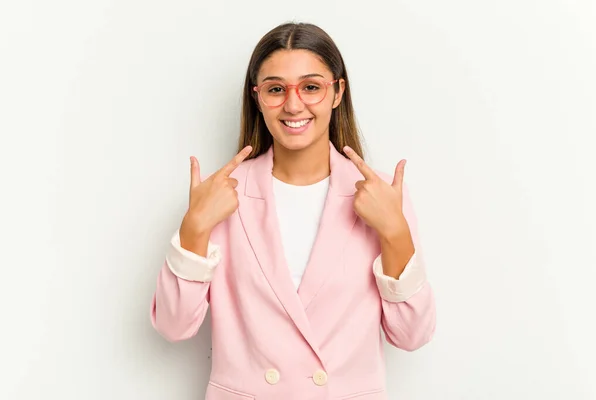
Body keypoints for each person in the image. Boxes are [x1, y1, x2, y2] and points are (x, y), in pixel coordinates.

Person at [150, 21, 436, 400]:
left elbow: (412, 336)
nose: (293, 104)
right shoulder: (222, 196)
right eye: (275, 89)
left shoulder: (380, 195)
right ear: (257, 97)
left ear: (337, 92)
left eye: (311, 87)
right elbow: (173, 327)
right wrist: (194, 229)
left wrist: (395, 233)